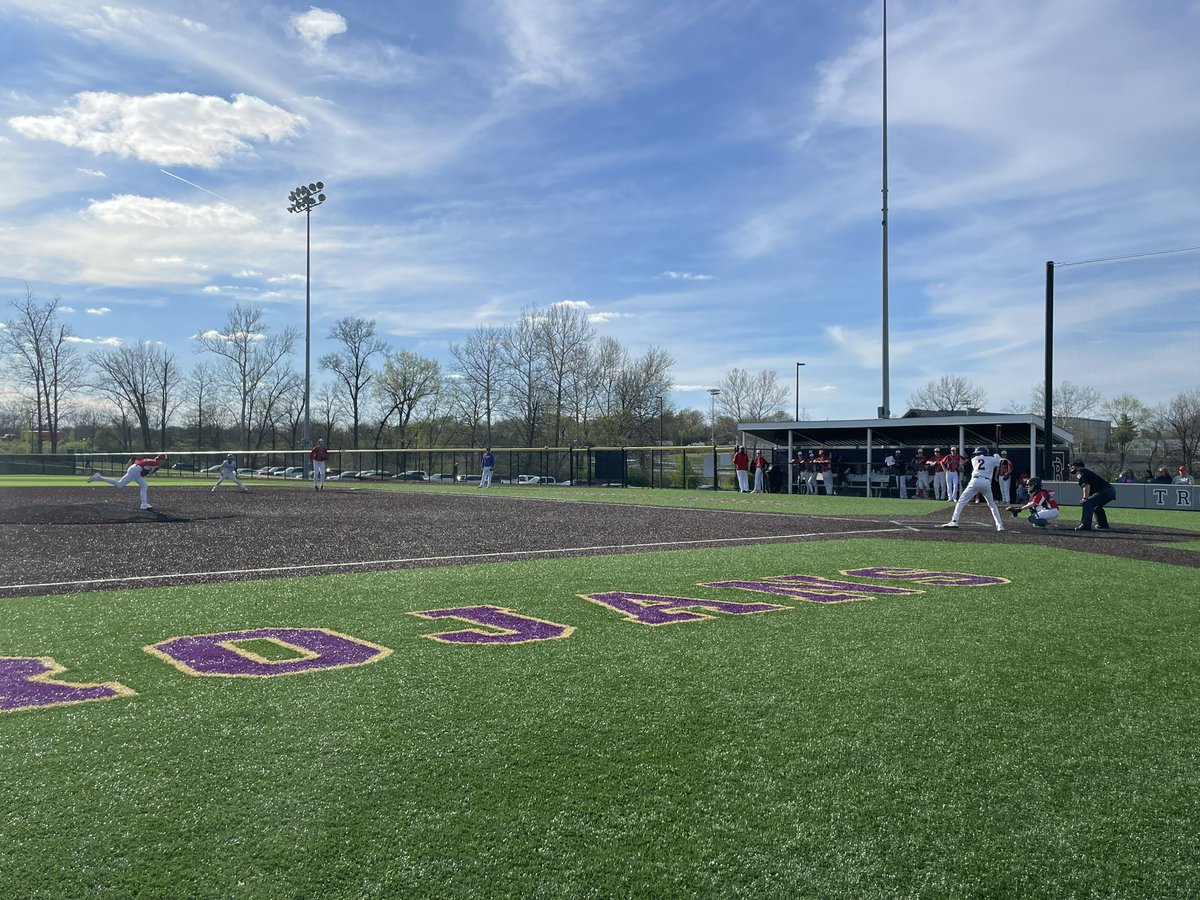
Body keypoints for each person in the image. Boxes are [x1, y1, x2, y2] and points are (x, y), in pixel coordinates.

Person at [940, 446, 1006, 532]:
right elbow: (1004, 463)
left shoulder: (974, 459)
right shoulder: (992, 459)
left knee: (961, 501)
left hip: (975, 481)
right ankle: (1000, 525)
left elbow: (985, 460)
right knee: (992, 505)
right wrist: (998, 457)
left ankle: (954, 521)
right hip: (986, 482)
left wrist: (995, 458)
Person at [87, 453, 166, 510]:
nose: (164, 462)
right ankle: (99, 477)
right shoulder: (156, 465)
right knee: (119, 484)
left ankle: (144, 504)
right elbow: (146, 472)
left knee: (144, 485)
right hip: (136, 470)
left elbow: (139, 462)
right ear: (161, 459)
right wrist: (143, 472)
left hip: (135, 469)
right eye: (164, 460)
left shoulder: (153, 461)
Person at [1071, 460, 1115, 531]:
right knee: (1096, 506)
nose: (1072, 469)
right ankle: (1102, 524)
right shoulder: (1086, 472)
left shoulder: (1081, 473)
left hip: (1105, 491)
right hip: (1110, 490)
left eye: (1073, 467)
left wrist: (1085, 498)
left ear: (1076, 467)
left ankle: (1085, 525)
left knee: (1087, 503)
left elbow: (1086, 485)